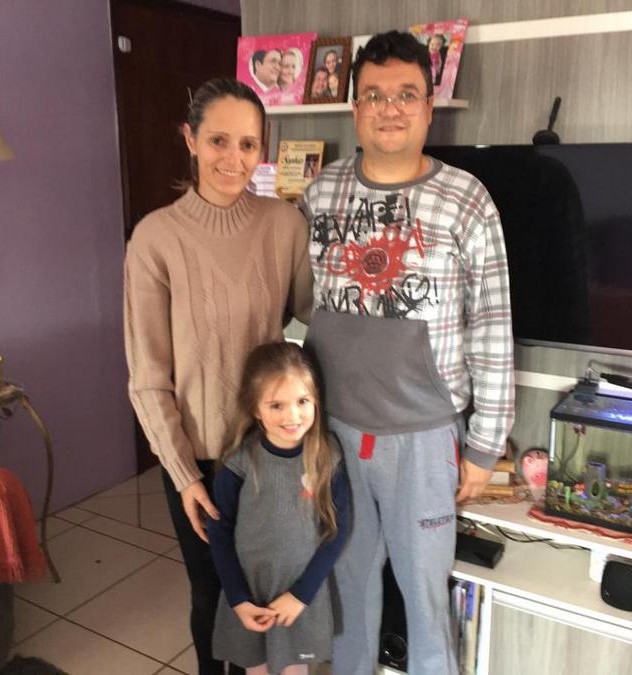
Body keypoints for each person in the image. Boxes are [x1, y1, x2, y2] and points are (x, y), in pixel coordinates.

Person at [300, 30, 515, 674]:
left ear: (428, 107)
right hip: (334, 433)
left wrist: (485, 445)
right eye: (374, 95)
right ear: (355, 109)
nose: (389, 108)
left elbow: (492, 324)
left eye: (406, 95)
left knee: (424, 602)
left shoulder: (467, 200)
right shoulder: (319, 194)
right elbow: (297, 305)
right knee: (346, 592)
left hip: (423, 440)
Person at [124, 78, 313, 675]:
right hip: (202, 461)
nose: (234, 158)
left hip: (274, 451)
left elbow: (320, 316)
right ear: (190, 139)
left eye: (248, 144)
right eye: (218, 141)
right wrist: (183, 475)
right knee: (214, 596)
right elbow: (147, 377)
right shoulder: (156, 238)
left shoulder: (285, 225)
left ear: (264, 149)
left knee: (272, 591)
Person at [207, 341, 349, 675]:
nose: (292, 416)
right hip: (249, 590)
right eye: (276, 405)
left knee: (294, 669)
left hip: (300, 592)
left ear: (316, 400)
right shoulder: (240, 461)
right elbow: (220, 533)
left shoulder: (328, 455)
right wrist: (238, 598)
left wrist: (301, 595)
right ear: (256, 408)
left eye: (302, 401)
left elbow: (338, 530)